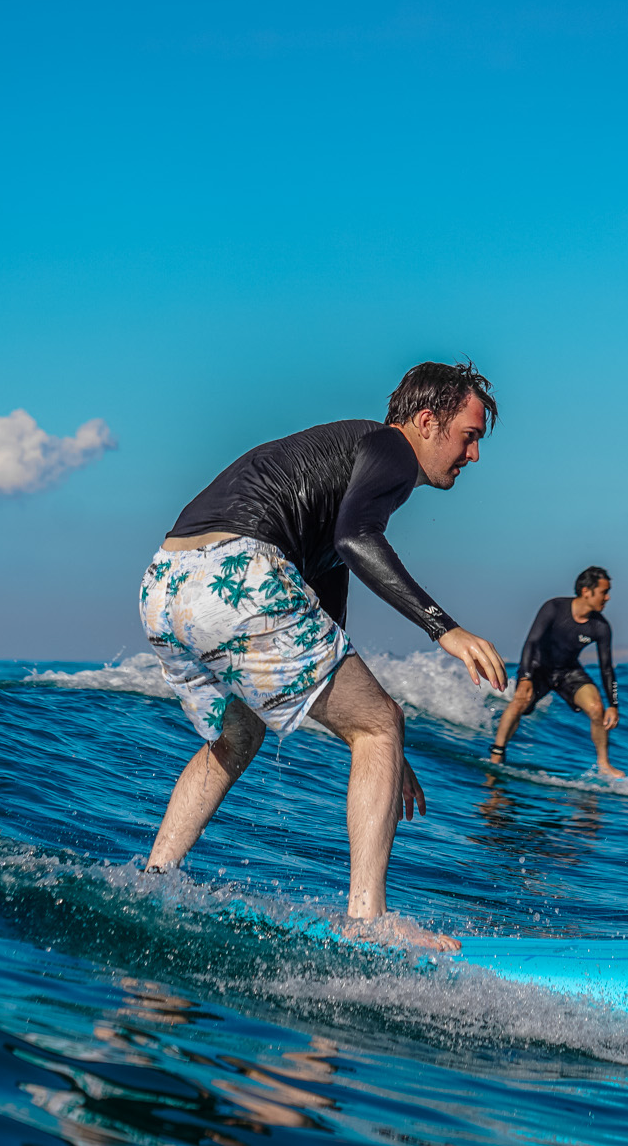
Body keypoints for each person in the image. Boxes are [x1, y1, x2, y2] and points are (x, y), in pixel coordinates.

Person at [138, 361, 508, 951]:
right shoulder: (389, 448)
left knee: (237, 739)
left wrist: (376, 743)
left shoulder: (345, 467)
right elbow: (356, 540)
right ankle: (369, 923)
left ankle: (153, 881)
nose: (474, 456)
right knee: (382, 724)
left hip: (167, 583)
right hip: (239, 569)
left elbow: (324, 622)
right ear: (425, 421)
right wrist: (446, 631)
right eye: (469, 436)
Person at [488, 567, 624, 778]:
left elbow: (607, 668)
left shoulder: (600, 627)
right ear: (586, 591)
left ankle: (604, 764)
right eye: (603, 592)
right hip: (538, 667)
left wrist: (613, 706)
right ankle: (497, 753)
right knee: (520, 701)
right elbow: (531, 642)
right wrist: (525, 677)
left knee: (597, 707)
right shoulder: (554, 608)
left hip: (568, 671)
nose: (607, 597)